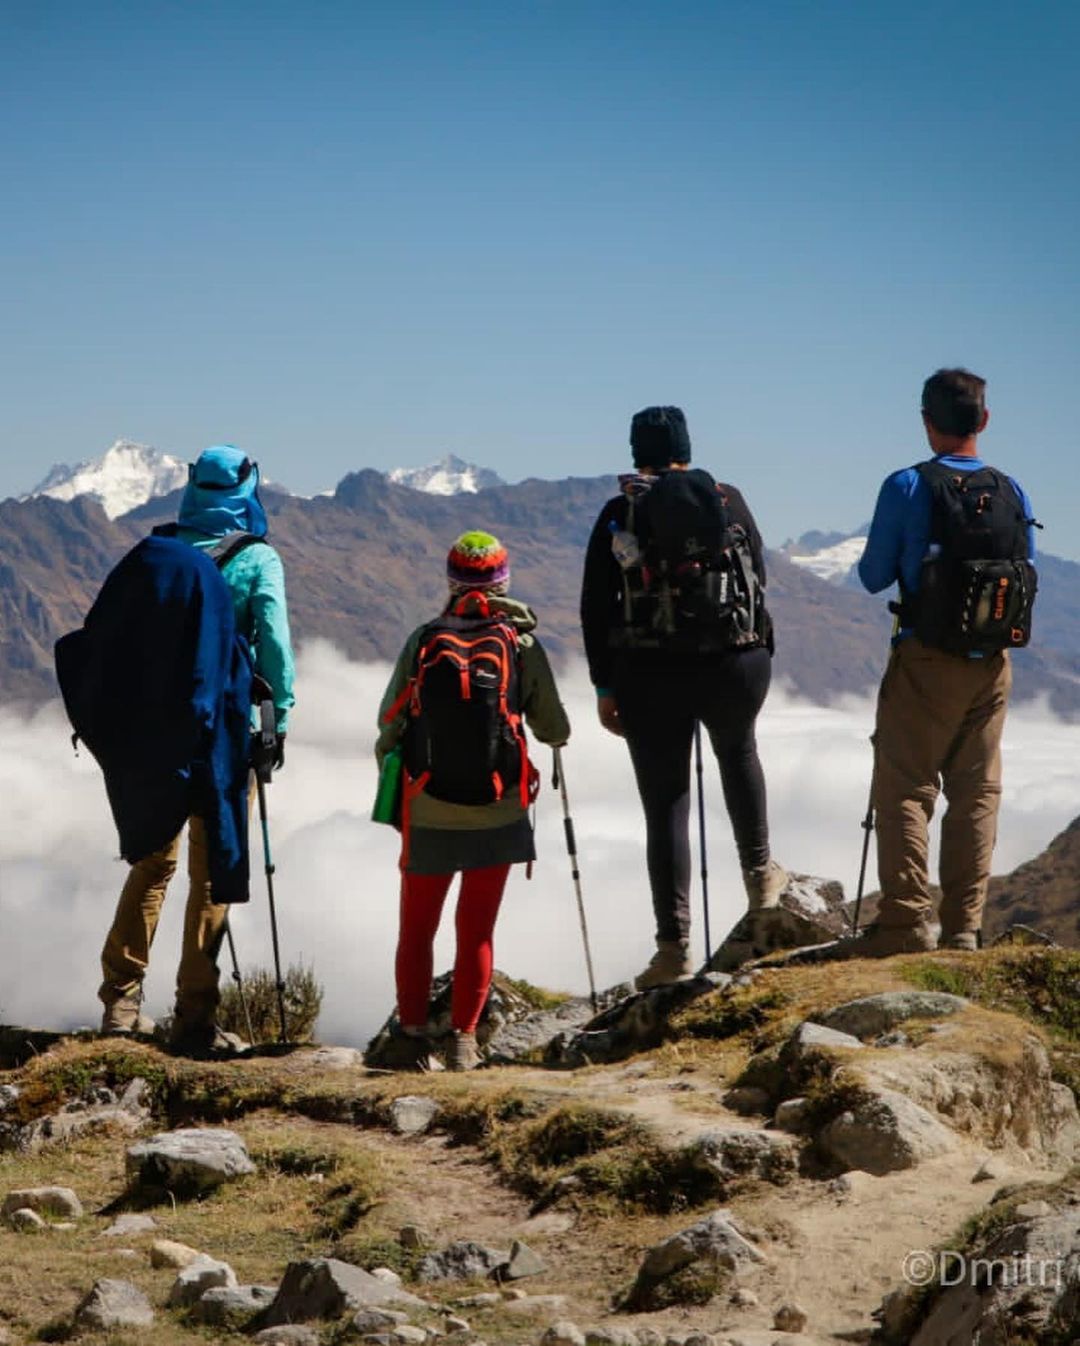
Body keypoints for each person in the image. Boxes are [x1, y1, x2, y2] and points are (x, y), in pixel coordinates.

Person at [96, 444, 295, 1052]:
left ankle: (121, 1005)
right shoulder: (257, 558)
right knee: (213, 871)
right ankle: (194, 1018)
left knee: (153, 864)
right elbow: (275, 646)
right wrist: (277, 721)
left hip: (157, 739)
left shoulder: (158, 553)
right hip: (225, 736)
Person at [580, 406, 785, 990]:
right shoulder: (729, 500)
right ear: (687, 450)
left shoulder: (621, 512)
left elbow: (596, 606)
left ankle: (673, 949)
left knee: (665, 804)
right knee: (738, 754)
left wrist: (604, 686)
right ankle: (761, 878)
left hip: (650, 672)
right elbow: (759, 578)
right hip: (736, 663)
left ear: (636, 452)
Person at [852, 368, 1037, 955]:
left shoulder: (907, 486)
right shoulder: (1013, 491)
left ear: (927, 422)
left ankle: (905, 925)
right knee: (977, 792)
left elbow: (873, 575)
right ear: (983, 420)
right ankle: (963, 928)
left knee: (906, 786)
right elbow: (1025, 565)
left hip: (924, 657)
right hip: (992, 661)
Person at [376, 530, 570, 1070]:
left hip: (428, 805)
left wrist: (398, 793)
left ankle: (411, 1034)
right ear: (504, 582)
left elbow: (387, 721)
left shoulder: (423, 639)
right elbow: (554, 727)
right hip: (498, 809)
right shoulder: (520, 644)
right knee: (476, 930)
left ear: (451, 581)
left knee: (417, 928)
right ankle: (464, 1039)